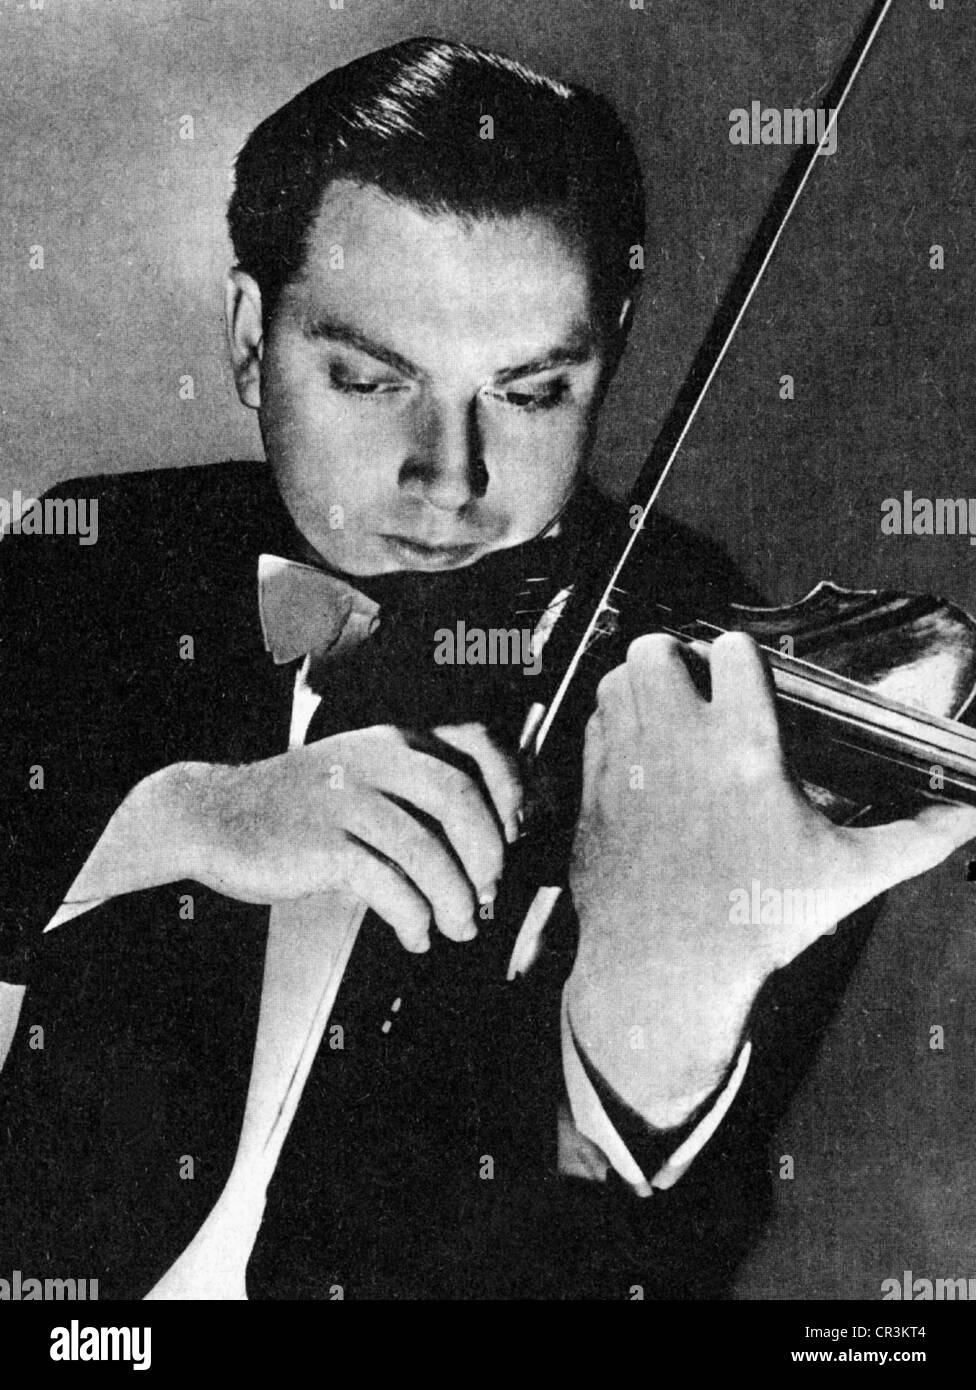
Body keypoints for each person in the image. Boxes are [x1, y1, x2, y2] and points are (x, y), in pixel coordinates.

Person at [1, 36, 972, 1301]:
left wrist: (654, 1016)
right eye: (366, 378)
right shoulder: (95, 563)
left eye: (529, 394)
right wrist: (178, 818)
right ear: (250, 339)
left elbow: (651, 1263)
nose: (450, 480)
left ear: (605, 356)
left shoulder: (704, 707)